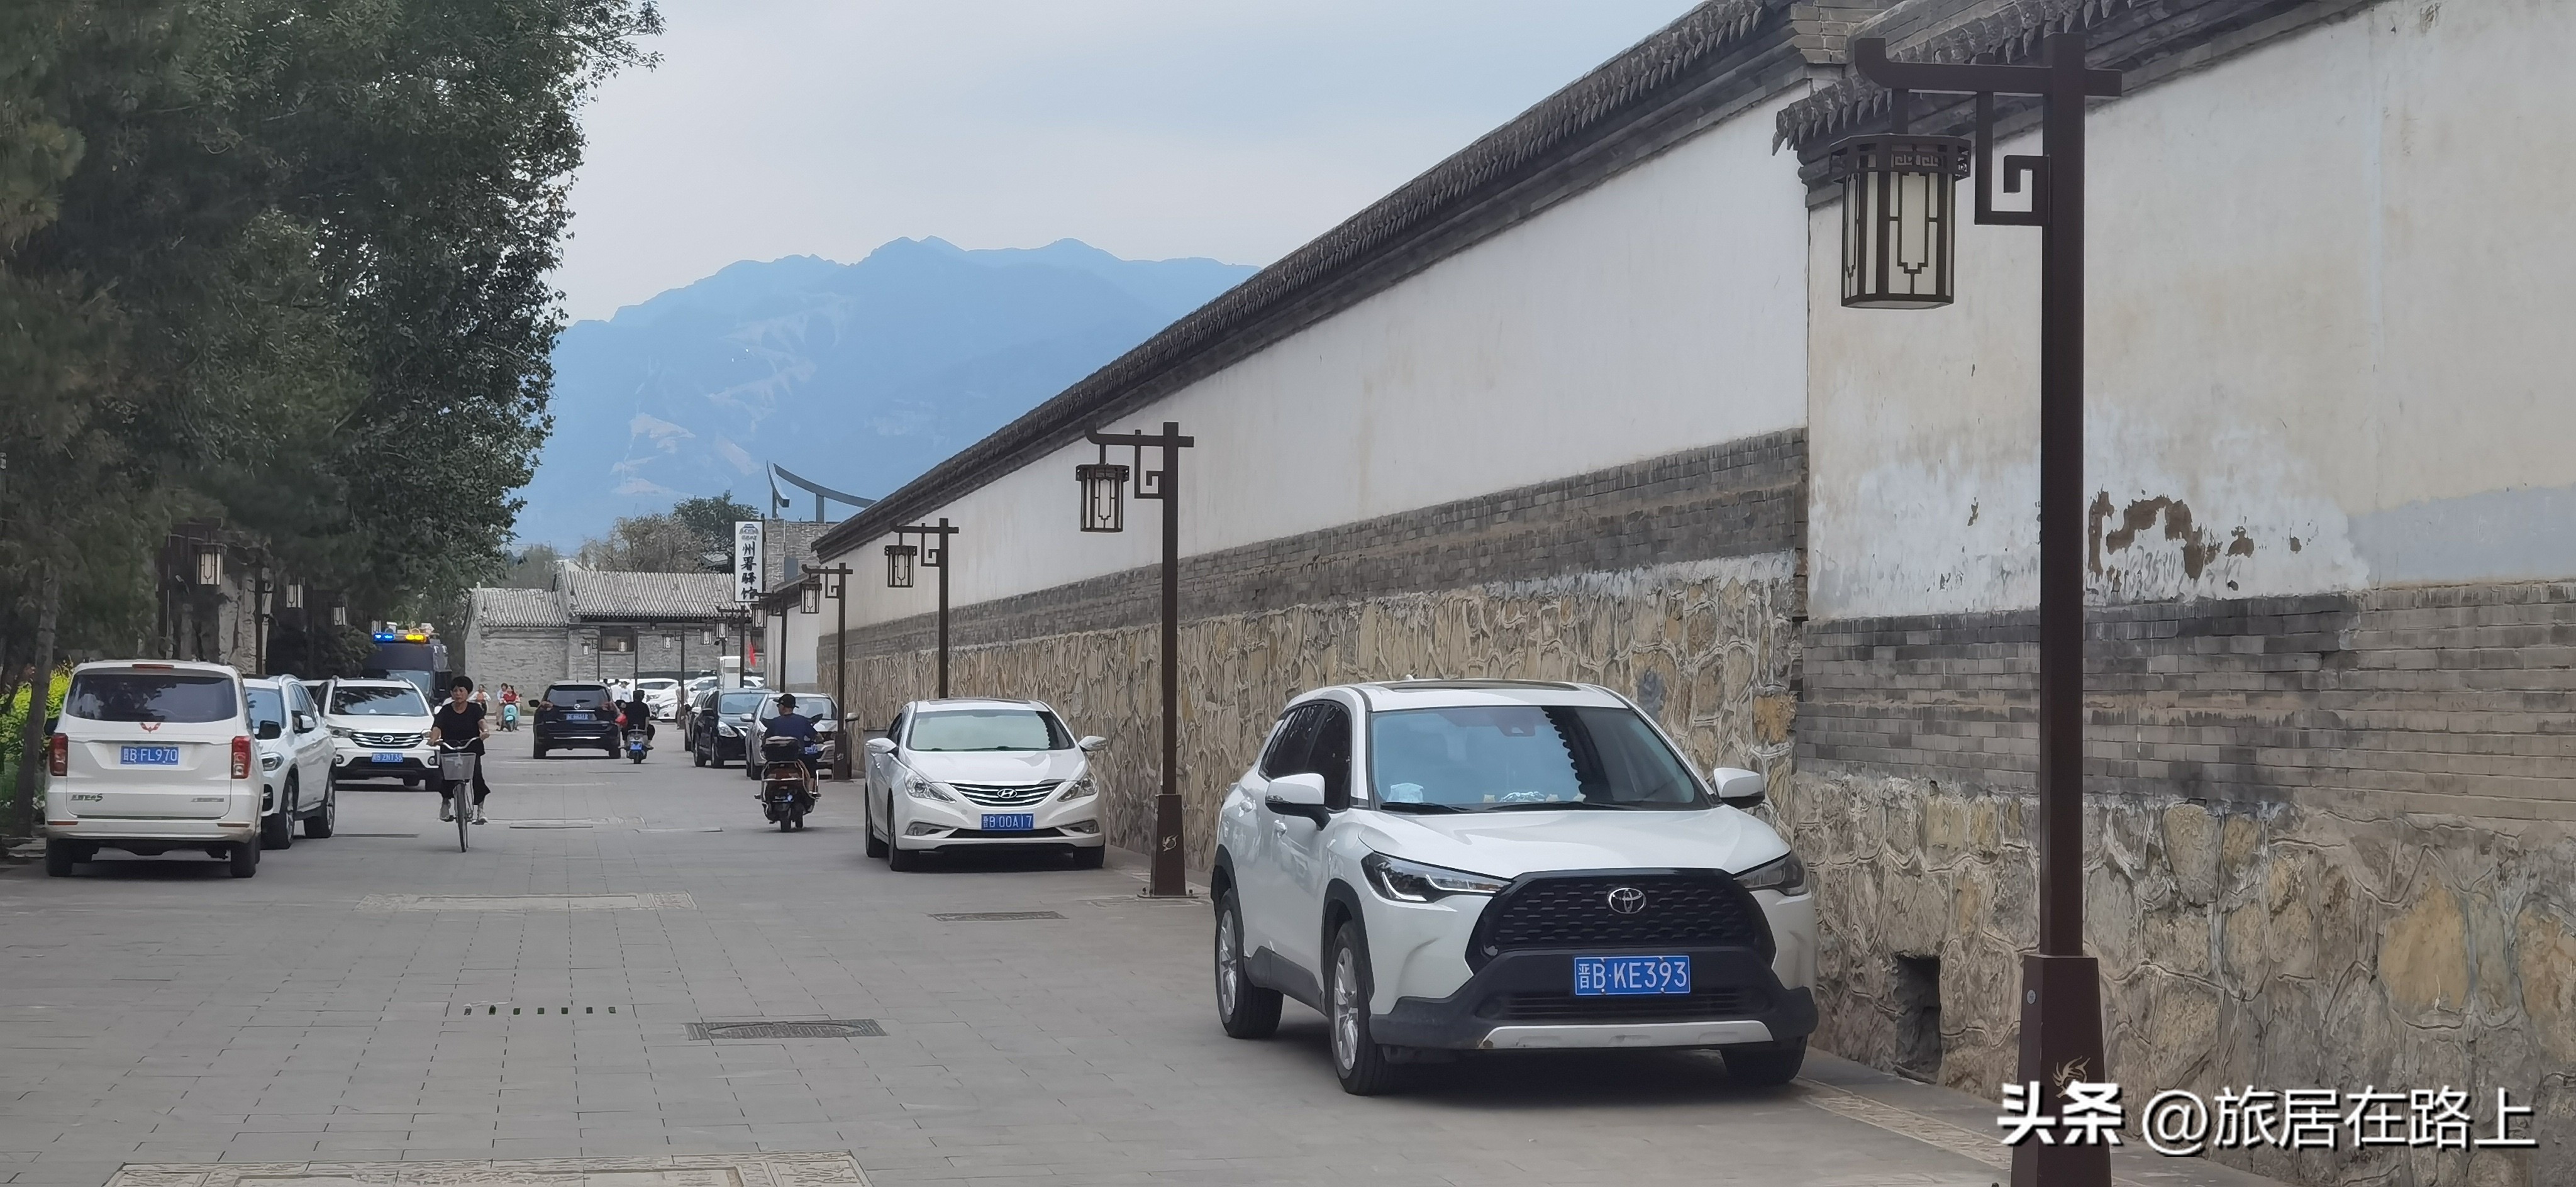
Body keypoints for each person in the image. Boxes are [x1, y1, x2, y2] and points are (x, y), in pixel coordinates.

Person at [427, 676, 493, 824]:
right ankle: (445, 803)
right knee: (444, 776)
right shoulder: (445, 711)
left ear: (468, 693)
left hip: (471, 749)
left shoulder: (475, 709)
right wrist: (433, 738)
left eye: (461, 690)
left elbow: (482, 722)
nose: (458, 694)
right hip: (450, 748)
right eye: (455, 691)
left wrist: (485, 731)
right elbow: (437, 727)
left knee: (477, 776)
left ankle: (480, 810)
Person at [762, 693, 820, 784]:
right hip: (796, 757)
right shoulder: (802, 721)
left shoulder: (774, 722)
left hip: (776, 758)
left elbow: (766, 739)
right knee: (811, 764)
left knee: (766, 769)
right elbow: (816, 736)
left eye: (778, 706)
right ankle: (811, 789)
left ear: (783, 707)